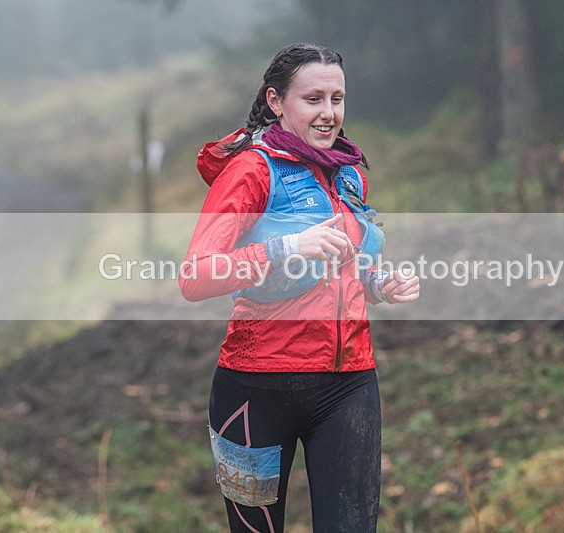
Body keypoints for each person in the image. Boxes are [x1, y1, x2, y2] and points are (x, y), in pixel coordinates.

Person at [179, 43, 419, 533]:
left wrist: (378, 284)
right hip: (256, 387)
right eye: (313, 99)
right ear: (275, 101)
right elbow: (196, 277)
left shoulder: (349, 173)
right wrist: (286, 248)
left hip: (349, 382)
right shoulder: (251, 171)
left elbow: (342, 264)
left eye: (338, 98)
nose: (329, 113)